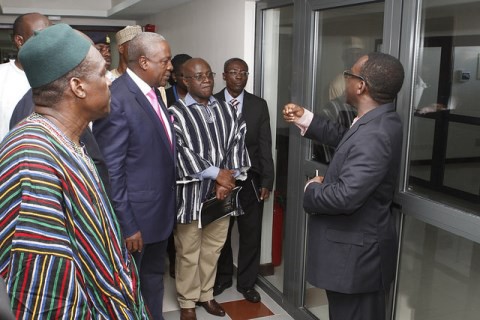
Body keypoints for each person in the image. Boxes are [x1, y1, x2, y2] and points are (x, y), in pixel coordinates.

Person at [0, 23, 149, 319]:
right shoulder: (32, 159)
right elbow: (44, 298)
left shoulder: (67, 139)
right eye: (101, 72)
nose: (109, 80)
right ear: (78, 87)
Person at [283, 52, 404, 320]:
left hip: (357, 259)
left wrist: (311, 188)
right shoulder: (376, 120)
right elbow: (346, 139)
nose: (345, 79)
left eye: (349, 74)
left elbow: (344, 197)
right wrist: (307, 118)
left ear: (361, 86)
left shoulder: (377, 133)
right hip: (354, 255)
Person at [93, 32, 176, 320]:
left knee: (153, 278)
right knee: (128, 287)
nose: (170, 67)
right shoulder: (117, 98)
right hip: (136, 222)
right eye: (164, 61)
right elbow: (111, 170)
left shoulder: (152, 92)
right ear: (143, 62)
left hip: (158, 214)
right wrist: (127, 225)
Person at [169, 58, 250, 320]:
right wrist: (217, 175)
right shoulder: (176, 114)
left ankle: (206, 295)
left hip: (221, 198)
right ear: (184, 80)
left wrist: (228, 180)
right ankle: (187, 302)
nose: (206, 80)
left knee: (213, 248)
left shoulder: (229, 111)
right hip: (191, 197)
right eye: (198, 76)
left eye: (208, 75)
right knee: (189, 251)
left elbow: (237, 144)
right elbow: (179, 152)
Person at [213, 58, 274, 303]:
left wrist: (267, 181)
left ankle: (247, 284)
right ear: (224, 75)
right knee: (221, 233)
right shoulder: (211, 102)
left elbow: (265, 145)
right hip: (221, 182)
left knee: (251, 233)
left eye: (244, 73)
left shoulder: (259, 105)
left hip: (250, 181)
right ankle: (224, 277)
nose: (239, 77)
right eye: (234, 72)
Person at [0, 12, 50, 139]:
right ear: (20, 41)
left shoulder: (60, 77)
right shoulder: (2, 76)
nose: (49, 42)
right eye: (40, 36)